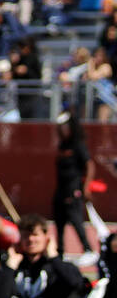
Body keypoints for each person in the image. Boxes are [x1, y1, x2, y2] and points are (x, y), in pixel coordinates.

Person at [52, 111, 96, 265]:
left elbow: (89, 165)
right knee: (59, 222)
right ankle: (60, 253)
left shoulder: (78, 145)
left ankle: (88, 249)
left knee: (76, 220)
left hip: (73, 189)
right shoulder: (62, 146)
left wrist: (86, 187)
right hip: (60, 190)